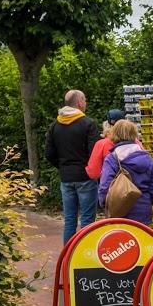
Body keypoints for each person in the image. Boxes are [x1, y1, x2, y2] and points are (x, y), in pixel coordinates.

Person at [44, 89, 100, 246]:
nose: (86, 103)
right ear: (80, 103)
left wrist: (62, 167)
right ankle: (84, 256)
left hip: (66, 178)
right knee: (88, 220)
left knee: (69, 219)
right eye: (85, 100)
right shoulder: (88, 124)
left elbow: (49, 153)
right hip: (85, 178)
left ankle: (67, 256)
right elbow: (94, 152)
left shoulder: (54, 126)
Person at [97, 120, 153, 224]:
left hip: (119, 210)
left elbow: (105, 186)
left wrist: (105, 205)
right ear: (134, 134)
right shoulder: (146, 158)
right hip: (143, 209)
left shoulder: (112, 159)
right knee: (142, 238)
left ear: (114, 134)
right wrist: (147, 201)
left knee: (122, 239)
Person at [86, 108, 124, 181]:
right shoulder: (135, 142)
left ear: (107, 124)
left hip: (109, 187)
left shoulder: (101, 144)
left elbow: (94, 173)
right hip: (133, 187)